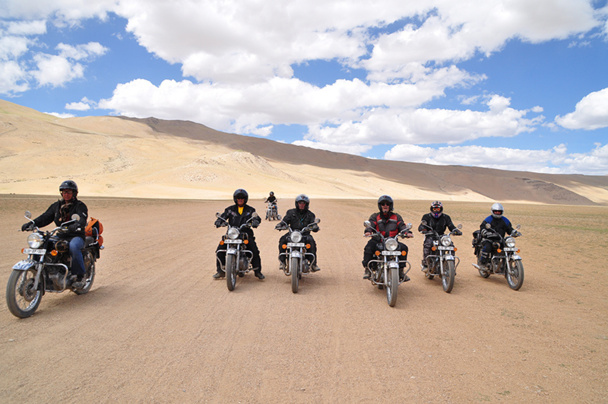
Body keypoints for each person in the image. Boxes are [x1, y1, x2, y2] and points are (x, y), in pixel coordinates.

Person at [21, 180, 88, 288]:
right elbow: (45, 217)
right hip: (61, 235)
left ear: (74, 193)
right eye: (64, 192)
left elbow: (82, 219)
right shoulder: (56, 206)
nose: (66, 194)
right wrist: (32, 223)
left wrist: (76, 225)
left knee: (74, 247)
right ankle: (40, 273)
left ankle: (80, 276)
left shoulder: (80, 206)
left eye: (69, 192)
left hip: (76, 236)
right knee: (43, 244)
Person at [214, 188, 264, 280]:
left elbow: (257, 217)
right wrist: (219, 221)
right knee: (219, 250)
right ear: (235, 199)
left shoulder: (250, 210)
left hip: (245, 234)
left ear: (245, 199)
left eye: (242, 198)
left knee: (254, 250)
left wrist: (255, 222)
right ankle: (220, 271)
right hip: (232, 234)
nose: (240, 199)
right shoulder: (229, 210)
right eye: (238, 198)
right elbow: (223, 217)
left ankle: (257, 271)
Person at [362, 195, 412, 280]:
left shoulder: (396, 216)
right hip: (378, 240)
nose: (385, 206)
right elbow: (371, 224)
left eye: (387, 204)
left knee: (404, 248)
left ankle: (400, 271)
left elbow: (402, 225)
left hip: (392, 242)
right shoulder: (375, 216)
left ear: (390, 205)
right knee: (369, 248)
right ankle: (368, 269)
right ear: (380, 206)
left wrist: (407, 232)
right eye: (383, 204)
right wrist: (368, 231)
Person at [275, 194, 320, 271]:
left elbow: (313, 223)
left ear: (306, 204)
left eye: (303, 203)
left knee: (311, 242)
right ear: (297, 203)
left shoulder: (310, 214)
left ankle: (313, 264)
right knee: (282, 240)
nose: (301, 205)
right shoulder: (290, 212)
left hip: (305, 234)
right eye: (300, 203)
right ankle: (282, 262)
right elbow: (285, 221)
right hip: (292, 233)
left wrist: (315, 227)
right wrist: (280, 224)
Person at [418, 201, 462, 267]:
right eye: (434, 209)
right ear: (431, 209)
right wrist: (423, 229)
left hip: (442, 236)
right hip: (430, 235)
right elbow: (421, 226)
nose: (436, 211)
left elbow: (451, 226)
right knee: (428, 244)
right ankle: (426, 263)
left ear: (441, 209)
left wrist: (456, 231)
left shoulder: (446, 217)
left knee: (451, 246)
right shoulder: (426, 216)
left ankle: (451, 265)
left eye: (438, 209)